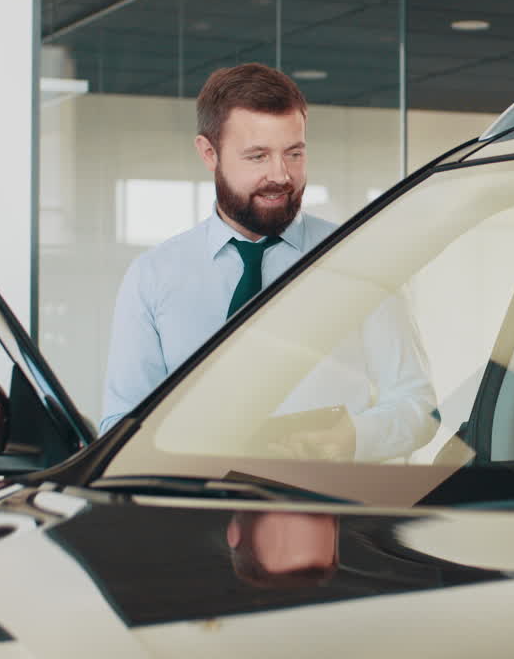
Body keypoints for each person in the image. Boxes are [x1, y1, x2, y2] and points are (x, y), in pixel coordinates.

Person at [100, 62, 436, 462]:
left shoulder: (359, 258)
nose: (281, 175)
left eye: (294, 153)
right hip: (197, 510)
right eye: (257, 157)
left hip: (330, 508)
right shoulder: (154, 277)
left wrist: (352, 439)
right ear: (209, 153)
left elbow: (418, 407)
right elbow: (121, 425)